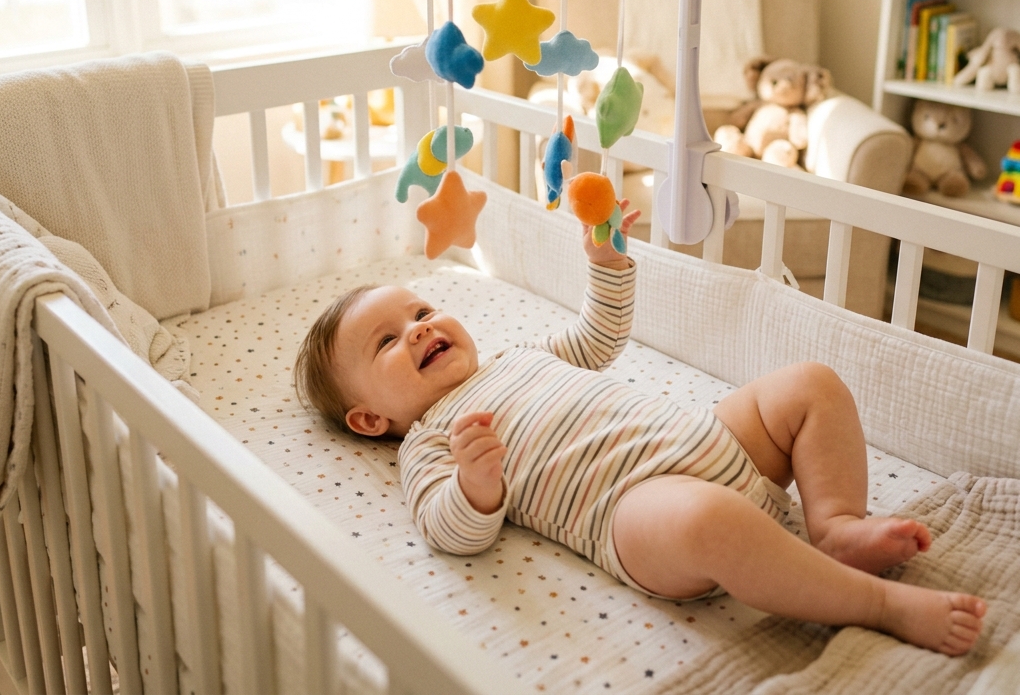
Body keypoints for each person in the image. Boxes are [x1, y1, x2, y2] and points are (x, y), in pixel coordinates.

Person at [293, 202, 986, 657]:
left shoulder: (519, 356)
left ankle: (835, 524)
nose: (419, 329)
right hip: (635, 512)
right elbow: (447, 532)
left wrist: (608, 268)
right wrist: (476, 487)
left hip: (711, 440)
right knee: (710, 519)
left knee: (810, 383)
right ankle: (878, 604)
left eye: (420, 311)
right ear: (369, 418)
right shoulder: (430, 442)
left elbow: (599, 337)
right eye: (387, 341)